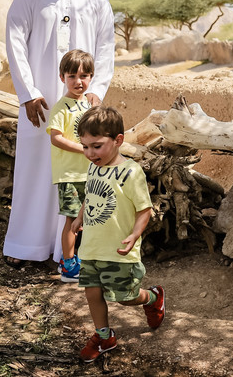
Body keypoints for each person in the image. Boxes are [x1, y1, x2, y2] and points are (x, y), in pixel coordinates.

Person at [3, 0, 115, 268]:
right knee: (34, 169)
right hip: (40, 103)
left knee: (75, 173)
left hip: (80, 104)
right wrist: (28, 92)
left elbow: (106, 50)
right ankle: (25, 246)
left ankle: (67, 252)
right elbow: (15, 43)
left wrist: (96, 90)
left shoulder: (98, 1)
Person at [71, 106, 165, 363]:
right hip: (91, 247)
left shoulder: (131, 172)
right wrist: (80, 216)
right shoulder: (94, 168)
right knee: (92, 292)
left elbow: (144, 209)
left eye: (97, 146)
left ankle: (153, 297)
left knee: (125, 298)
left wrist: (135, 235)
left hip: (118, 250)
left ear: (118, 141)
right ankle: (104, 336)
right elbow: (90, 196)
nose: (90, 153)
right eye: (85, 146)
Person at [46, 49, 95, 282]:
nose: (78, 81)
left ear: (91, 77)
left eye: (84, 76)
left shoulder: (89, 106)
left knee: (89, 219)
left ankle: (81, 260)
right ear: (62, 78)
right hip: (70, 175)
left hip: (90, 174)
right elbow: (55, 137)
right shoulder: (61, 107)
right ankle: (67, 266)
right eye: (72, 76)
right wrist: (84, 149)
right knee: (72, 220)